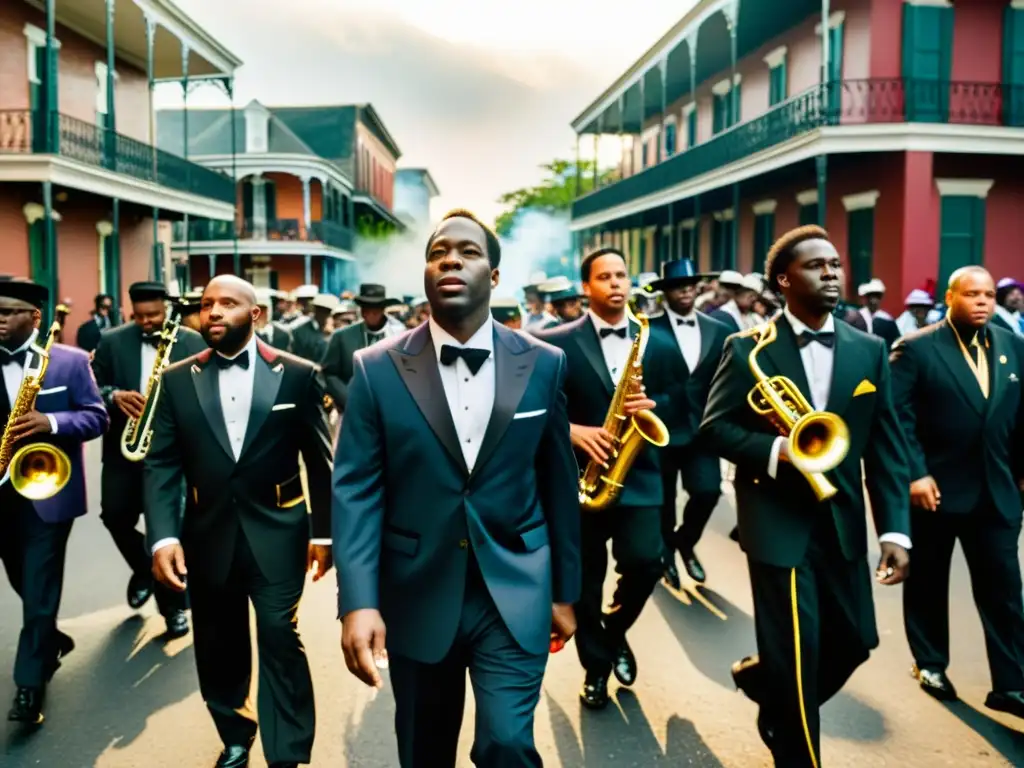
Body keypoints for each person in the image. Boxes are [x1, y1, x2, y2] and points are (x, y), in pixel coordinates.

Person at [333, 209, 580, 767]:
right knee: (424, 750)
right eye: (438, 251)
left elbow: (559, 485)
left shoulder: (545, 364)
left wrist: (567, 590)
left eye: (468, 252)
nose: (450, 258)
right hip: (416, 592)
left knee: (509, 745)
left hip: (515, 587)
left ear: (494, 276)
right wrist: (359, 602)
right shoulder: (375, 368)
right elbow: (355, 490)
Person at [701, 225, 911, 766]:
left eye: (836, 264)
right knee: (798, 654)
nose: (832, 274)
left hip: (840, 520)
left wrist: (894, 530)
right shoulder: (746, 347)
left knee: (857, 641)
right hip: (776, 520)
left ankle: (766, 683)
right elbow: (715, 428)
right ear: (783, 279)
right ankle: (796, 745)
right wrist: (778, 453)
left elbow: (887, 448)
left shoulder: (869, 350)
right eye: (817, 266)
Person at [144, 275, 334, 768]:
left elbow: (320, 461)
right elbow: (162, 463)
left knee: (277, 633)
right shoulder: (176, 380)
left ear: (256, 315)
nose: (213, 312)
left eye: (227, 303)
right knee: (218, 642)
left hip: (279, 532)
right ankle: (234, 730)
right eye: (207, 304)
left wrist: (325, 533)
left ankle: (288, 751)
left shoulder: (297, 374)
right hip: (208, 538)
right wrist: (163, 536)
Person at [535, 247, 686, 709]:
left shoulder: (656, 341)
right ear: (586, 287)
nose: (616, 283)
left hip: (638, 478)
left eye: (621, 275)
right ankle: (596, 669)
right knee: (582, 585)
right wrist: (571, 431)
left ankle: (612, 633)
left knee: (646, 564)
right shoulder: (554, 342)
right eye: (605, 276)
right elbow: (533, 411)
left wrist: (653, 406)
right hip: (577, 482)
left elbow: (681, 402)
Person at [889, 266, 1024, 716]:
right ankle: (929, 662)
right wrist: (914, 474)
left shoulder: (1013, 346)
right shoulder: (916, 349)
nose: (983, 302)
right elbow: (896, 417)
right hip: (936, 491)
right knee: (928, 581)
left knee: (1005, 590)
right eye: (972, 294)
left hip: (998, 493)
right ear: (950, 297)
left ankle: (1012, 684)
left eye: (988, 294)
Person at [0, 279, 108, 724]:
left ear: (35, 317)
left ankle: (29, 685)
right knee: (23, 581)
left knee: (40, 587)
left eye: (7, 312)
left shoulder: (69, 362)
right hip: (3, 492)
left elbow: (96, 416)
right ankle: (50, 637)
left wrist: (52, 421)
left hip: (48, 493)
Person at [91, 281, 206, 638]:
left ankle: (173, 610)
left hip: (173, 458)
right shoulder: (111, 341)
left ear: (167, 310)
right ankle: (144, 569)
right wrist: (113, 396)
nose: (146, 322)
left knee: (167, 534)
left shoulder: (192, 341)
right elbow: (91, 385)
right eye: (139, 316)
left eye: (153, 315)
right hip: (124, 452)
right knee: (113, 516)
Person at [646, 259, 731, 587]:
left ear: (697, 288)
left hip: (703, 431)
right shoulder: (647, 329)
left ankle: (685, 543)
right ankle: (666, 551)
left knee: (708, 492)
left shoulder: (720, 330)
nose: (684, 290)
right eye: (676, 286)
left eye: (689, 285)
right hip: (662, 432)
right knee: (664, 502)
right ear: (665, 292)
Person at [320, 283, 402, 413]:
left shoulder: (400, 336)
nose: (369, 314)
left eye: (374, 310)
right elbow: (329, 373)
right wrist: (349, 400)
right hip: (351, 409)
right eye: (365, 309)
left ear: (383, 309)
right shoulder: (342, 337)